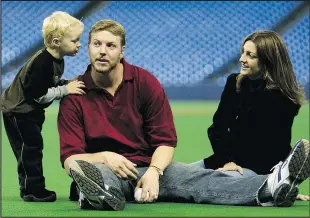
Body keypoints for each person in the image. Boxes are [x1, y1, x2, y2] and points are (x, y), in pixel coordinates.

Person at [57, 20, 310, 211]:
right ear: (87, 48)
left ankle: (270, 187)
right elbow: (70, 159)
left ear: (121, 51)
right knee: (95, 172)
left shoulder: (145, 82)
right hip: (104, 167)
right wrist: (106, 157)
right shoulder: (74, 94)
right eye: (96, 44)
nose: (103, 51)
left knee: (200, 179)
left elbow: (165, 140)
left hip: (148, 167)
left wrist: (154, 172)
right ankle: (100, 191)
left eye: (110, 45)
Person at [188, 30, 309, 201]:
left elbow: (278, 143)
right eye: (243, 52)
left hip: (256, 170)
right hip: (225, 162)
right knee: (175, 175)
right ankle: (272, 187)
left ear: (268, 61)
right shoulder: (234, 83)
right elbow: (218, 128)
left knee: (206, 186)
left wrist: (277, 174)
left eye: (250, 55)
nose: (241, 59)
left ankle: (270, 186)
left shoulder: (281, 97)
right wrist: (227, 162)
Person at [1, 11, 85, 202]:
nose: (78, 44)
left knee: (32, 147)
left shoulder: (56, 59)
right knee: (29, 149)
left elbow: (49, 84)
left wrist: (67, 83)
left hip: (28, 111)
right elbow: (38, 94)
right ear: (56, 41)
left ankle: (29, 188)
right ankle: (33, 190)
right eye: (74, 40)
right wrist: (65, 90)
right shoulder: (42, 63)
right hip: (18, 111)